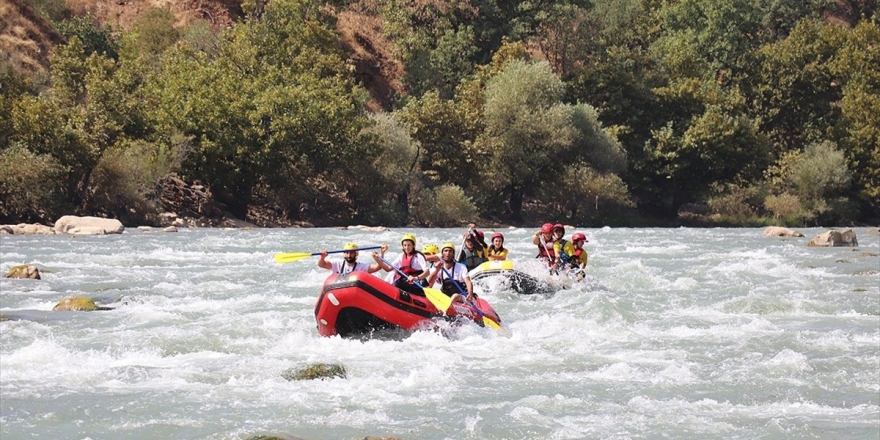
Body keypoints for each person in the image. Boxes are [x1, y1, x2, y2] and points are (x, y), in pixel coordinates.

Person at [317, 242, 388, 275]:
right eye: (347, 253)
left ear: (356, 254)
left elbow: (378, 267)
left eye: (351, 253)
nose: (349, 255)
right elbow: (321, 264)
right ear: (344, 254)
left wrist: (381, 254)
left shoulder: (361, 267)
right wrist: (322, 257)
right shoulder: (337, 263)